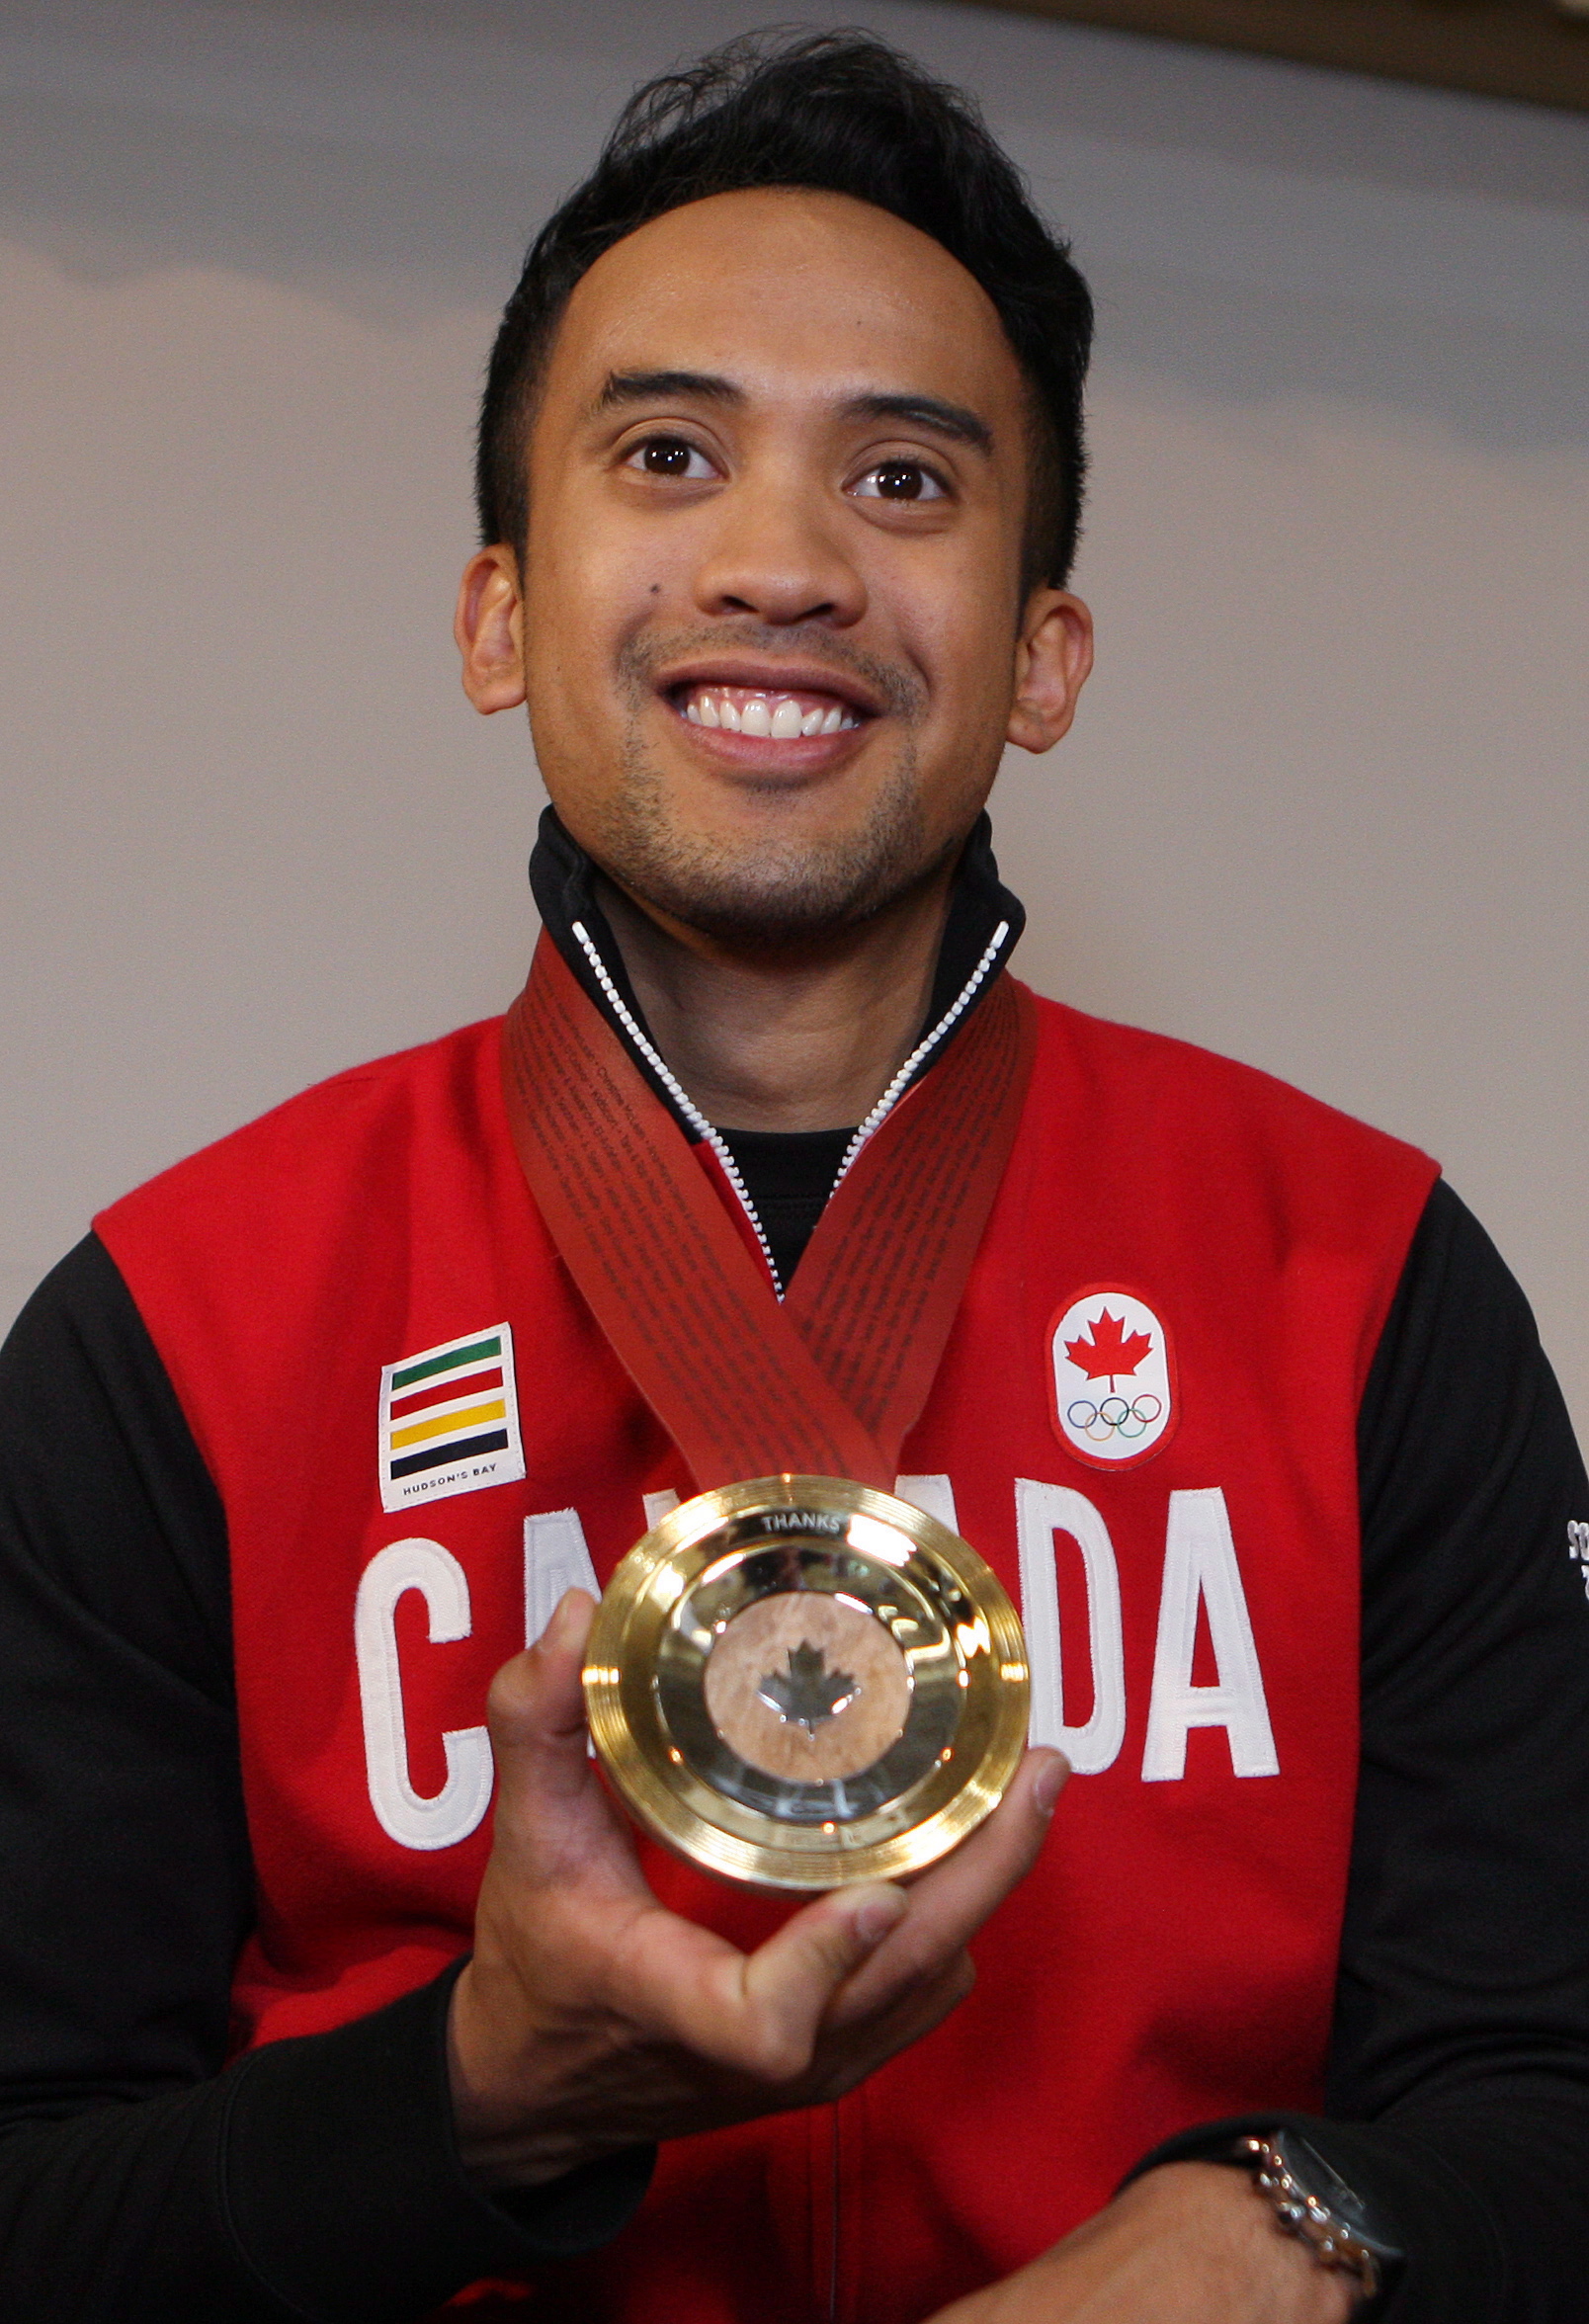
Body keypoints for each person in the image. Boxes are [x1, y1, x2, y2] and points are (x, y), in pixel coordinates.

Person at [1, 29, 1586, 2324]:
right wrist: (475, 2094)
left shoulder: (1355, 1273)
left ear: (1039, 660)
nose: (782, 562)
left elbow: (1549, 2088)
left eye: (909, 483)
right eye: (667, 454)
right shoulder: (184, 1322)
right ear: (498, 614)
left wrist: (1272, 2229)